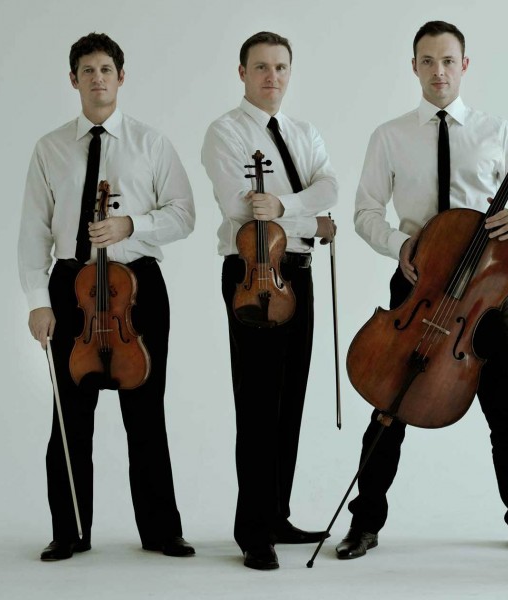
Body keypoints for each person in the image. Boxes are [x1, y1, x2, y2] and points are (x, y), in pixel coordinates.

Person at [337, 20, 508, 561]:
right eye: (428, 61)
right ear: (414, 66)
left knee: (504, 408)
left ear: (465, 65)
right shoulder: (389, 136)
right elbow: (365, 211)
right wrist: (401, 245)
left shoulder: (498, 132)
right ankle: (364, 523)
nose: (438, 71)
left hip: (481, 294)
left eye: (448, 60)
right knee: (389, 403)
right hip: (417, 283)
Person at [18, 32, 196, 561]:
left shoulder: (151, 143)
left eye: (106, 70)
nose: (98, 78)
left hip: (137, 286)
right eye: (88, 71)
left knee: (146, 412)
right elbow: (33, 230)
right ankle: (69, 530)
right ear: (73, 80)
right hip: (71, 285)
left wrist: (130, 225)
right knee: (70, 415)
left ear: (121, 77)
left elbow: (183, 214)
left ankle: (161, 530)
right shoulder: (50, 148)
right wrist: (37, 300)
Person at [201, 31, 338, 571]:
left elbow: (329, 188)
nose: (271, 77)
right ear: (242, 73)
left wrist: (284, 206)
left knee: (290, 399)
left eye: (280, 67)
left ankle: (277, 514)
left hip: (298, 272)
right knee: (258, 401)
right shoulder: (225, 132)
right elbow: (242, 209)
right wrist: (310, 220)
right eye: (260, 67)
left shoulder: (304, 132)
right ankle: (253, 530)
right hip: (252, 272)